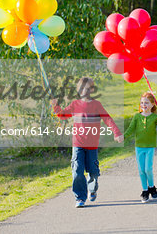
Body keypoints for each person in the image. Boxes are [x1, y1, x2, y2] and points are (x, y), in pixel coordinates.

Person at [51, 77, 124, 208]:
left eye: (86, 88)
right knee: (77, 170)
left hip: (92, 145)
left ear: (91, 90)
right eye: (80, 88)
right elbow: (62, 115)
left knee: (93, 171)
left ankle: (92, 189)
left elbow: (108, 119)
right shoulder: (75, 104)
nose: (83, 90)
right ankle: (80, 197)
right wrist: (55, 106)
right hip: (78, 143)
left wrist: (117, 132)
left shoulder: (96, 105)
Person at [124, 92, 157, 203]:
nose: (143, 105)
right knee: (141, 170)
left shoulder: (155, 117)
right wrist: (123, 137)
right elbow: (130, 129)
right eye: (142, 103)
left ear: (152, 104)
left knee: (148, 169)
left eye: (146, 103)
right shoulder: (137, 117)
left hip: (150, 147)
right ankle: (145, 190)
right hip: (139, 147)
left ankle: (151, 186)